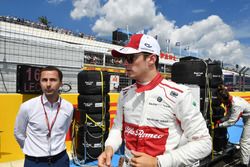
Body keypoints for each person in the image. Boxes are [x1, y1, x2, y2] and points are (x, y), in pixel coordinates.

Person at [98, 34, 212, 167]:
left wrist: (158, 162)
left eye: (130, 58)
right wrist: (109, 148)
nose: (125, 63)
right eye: (124, 58)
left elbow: (204, 143)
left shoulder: (179, 94)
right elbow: (117, 128)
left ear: (151, 59)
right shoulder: (124, 94)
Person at [14, 66, 74, 167]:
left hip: (61, 160)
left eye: (53, 80)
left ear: (61, 83)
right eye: (44, 80)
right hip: (34, 161)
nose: (48, 84)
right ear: (40, 82)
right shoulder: (27, 106)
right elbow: (18, 133)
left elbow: (64, 129)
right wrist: (31, 149)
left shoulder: (68, 107)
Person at [216, 84, 250, 167]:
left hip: (249, 119)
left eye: (221, 100)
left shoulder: (236, 105)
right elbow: (228, 115)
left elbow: (232, 121)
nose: (220, 102)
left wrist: (219, 126)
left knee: (244, 141)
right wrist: (220, 120)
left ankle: (245, 164)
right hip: (247, 117)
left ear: (224, 99)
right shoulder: (231, 100)